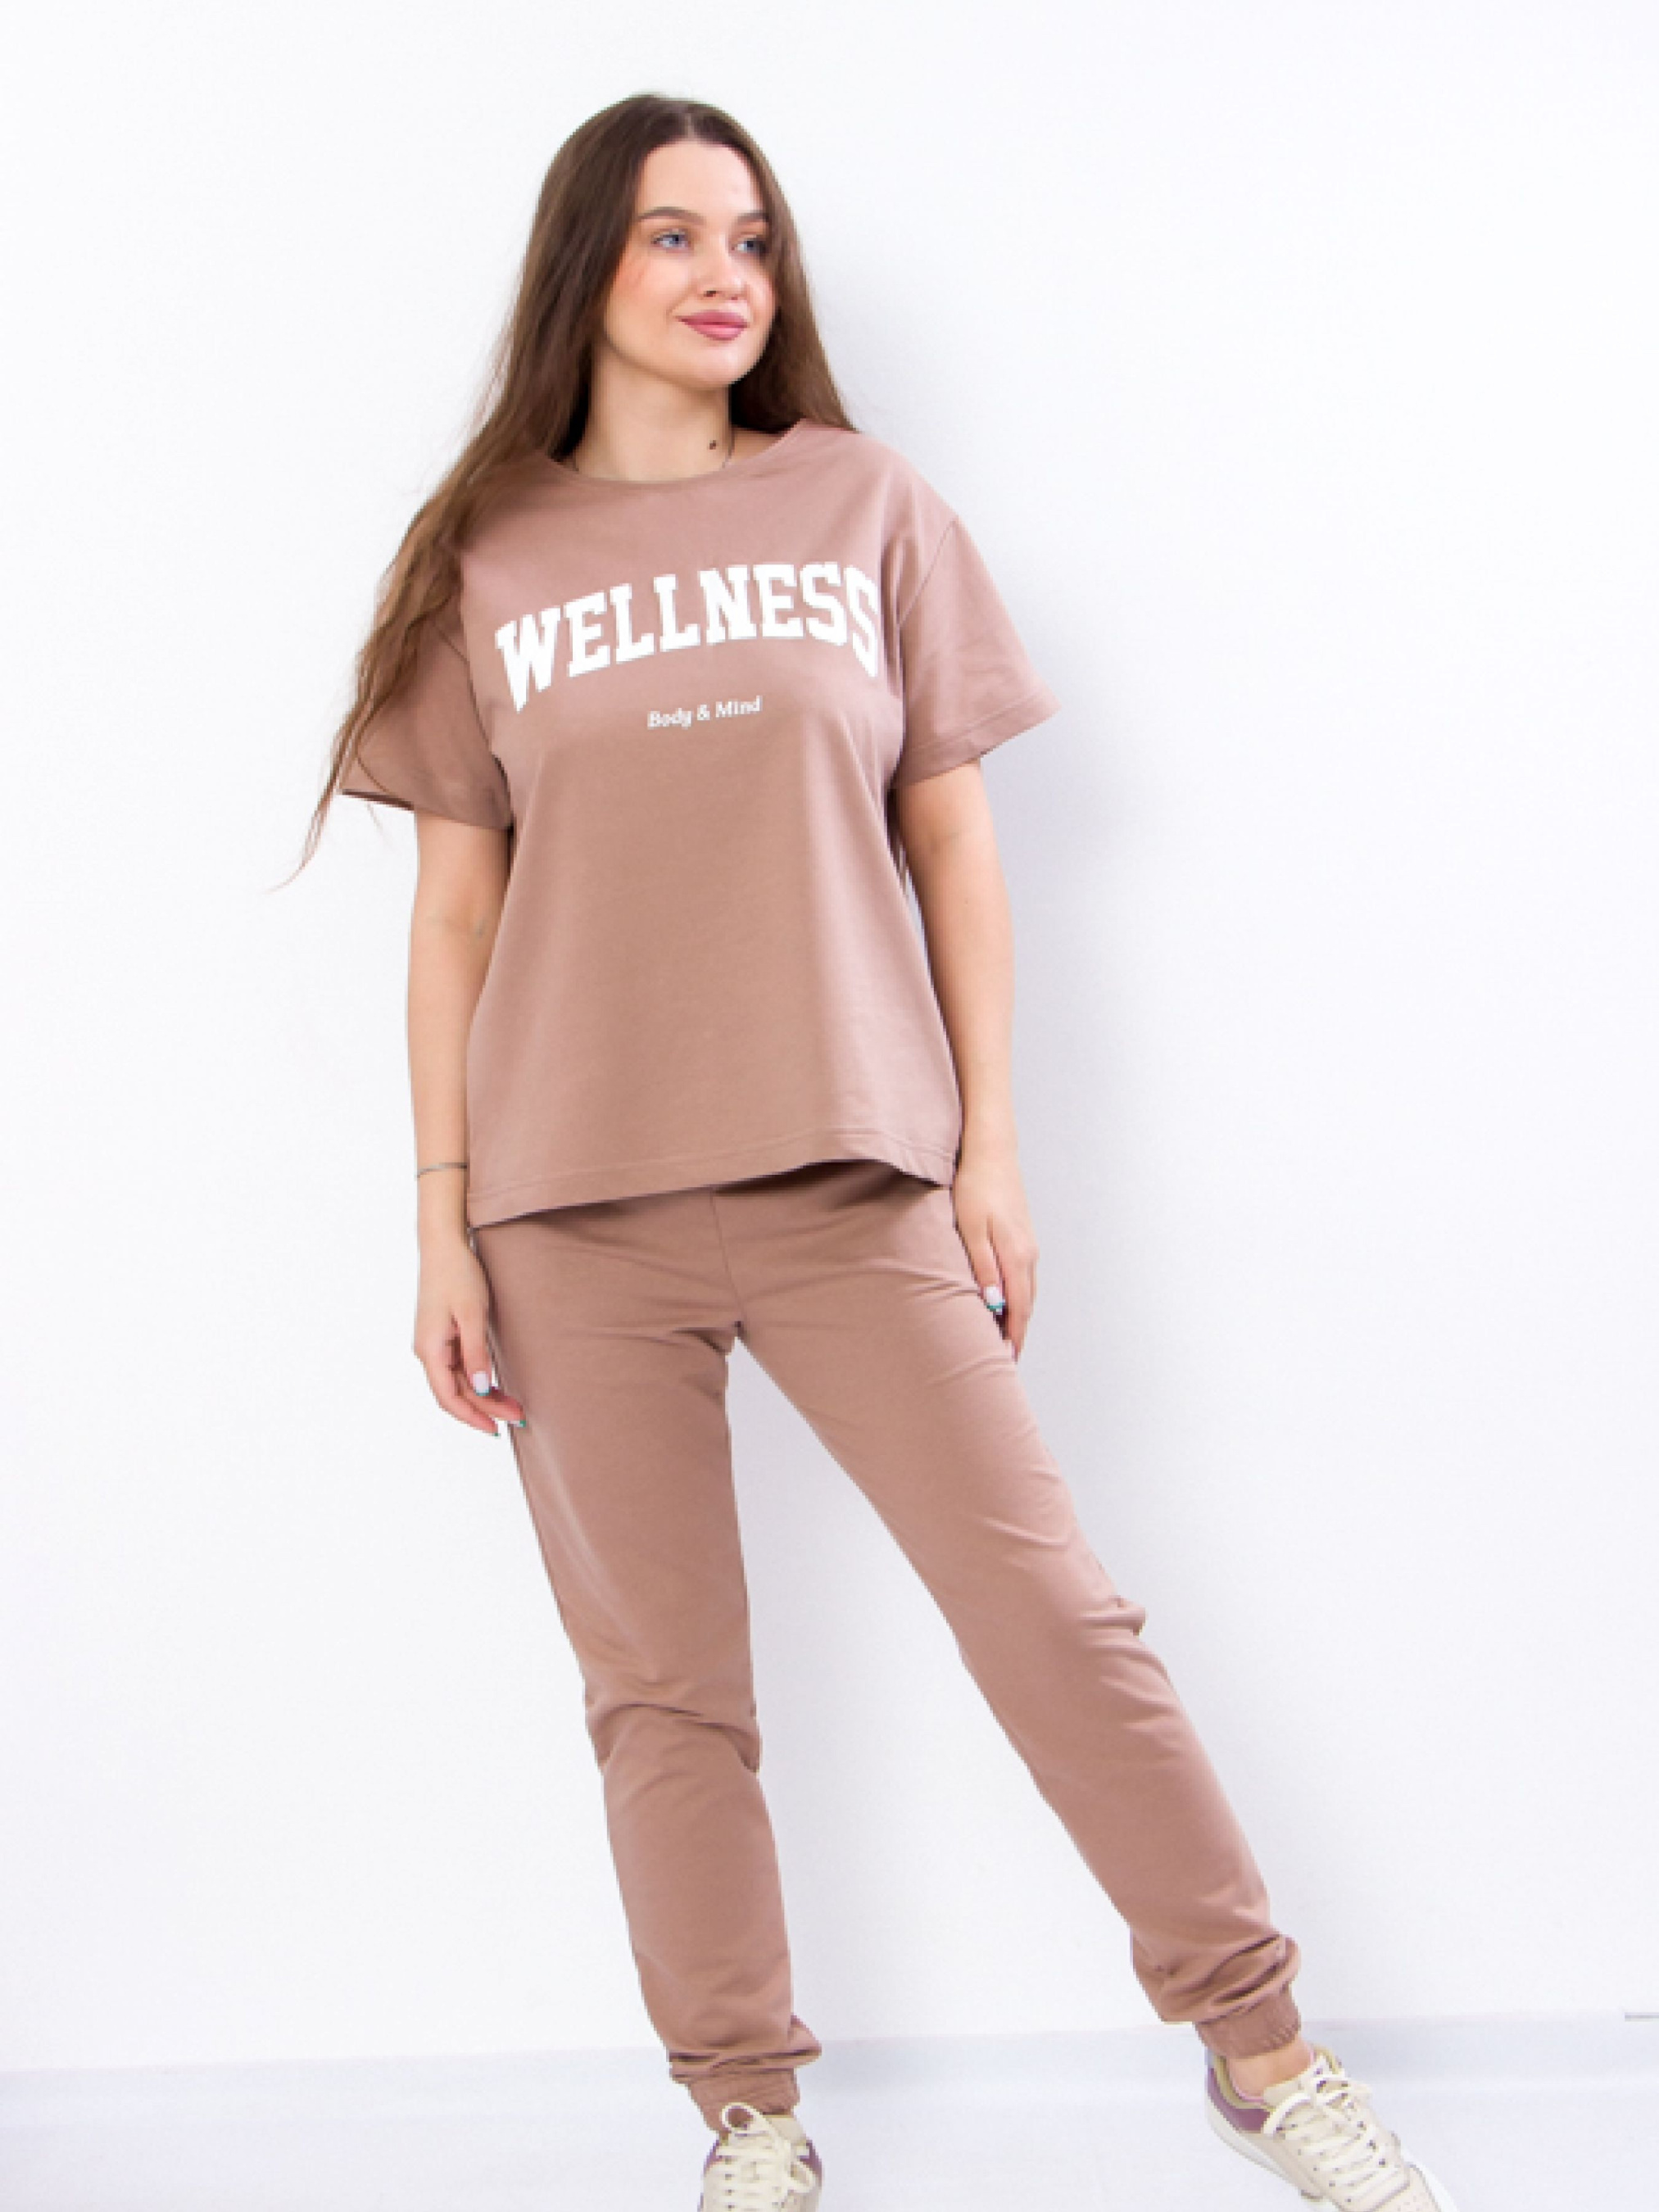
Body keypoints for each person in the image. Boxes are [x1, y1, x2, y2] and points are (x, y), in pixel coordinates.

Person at [299, 91, 1462, 2212]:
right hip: (569, 1208)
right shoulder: (491, 553)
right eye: (672, 235)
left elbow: (954, 844)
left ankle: (1263, 2050)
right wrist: (442, 1221)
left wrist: (989, 1149)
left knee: (1056, 1620)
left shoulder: (862, 503)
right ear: (584, 267)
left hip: (852, 1178)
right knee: (665, 1697)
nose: (724, 274)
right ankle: (748, 2113)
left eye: (750, 237)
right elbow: (453, 918)